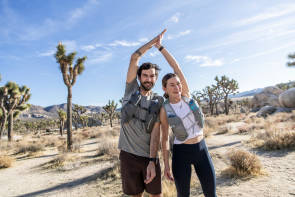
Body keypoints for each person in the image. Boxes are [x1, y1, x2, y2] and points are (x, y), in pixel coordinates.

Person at [156, 32, 217, 197]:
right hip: (181, 153)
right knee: (183, 195)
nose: (177, 87)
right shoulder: (165, 109)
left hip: (201, 149)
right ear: (165, 89)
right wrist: (166, 166)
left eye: (178, 84)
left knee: (211, 193)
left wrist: (161, 47)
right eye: (172, 85)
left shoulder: (187, 96)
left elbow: (177, 68)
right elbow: (164, 139)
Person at [118, 30, 166, 197]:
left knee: (156, 194)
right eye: (145, 75)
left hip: (149, 157)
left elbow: (156, 133)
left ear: (156, 78)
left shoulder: (158, 100)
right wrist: (154, 43)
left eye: (152, 76)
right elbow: (134, 58)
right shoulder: (130, 91)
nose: (148, 79)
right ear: (138, 77)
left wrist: (152, 160)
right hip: (128, 156)